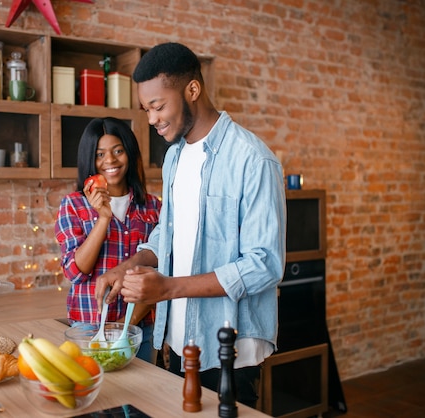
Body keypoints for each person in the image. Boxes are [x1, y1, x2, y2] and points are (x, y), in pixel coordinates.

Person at [95, 42, 286, 407]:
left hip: (232, 347)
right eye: (146, 109)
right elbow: (167, 232)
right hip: (181, 339)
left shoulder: (253, 160)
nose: (151, 119)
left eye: (158, 106)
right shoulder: (174, 158)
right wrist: (131, 264)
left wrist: (167, 288)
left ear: (192, 90)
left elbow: (265, 264)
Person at [55, 117, 161, 363]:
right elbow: (74, 271)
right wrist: (103, 219)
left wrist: (126, 327)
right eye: (100, 154)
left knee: (140, 399)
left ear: (130, 153)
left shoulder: (153, 207)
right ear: (90, 160)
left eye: (118, 151)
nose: (110, 161)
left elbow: (159, 270)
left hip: (138, 331)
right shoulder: (74, 205)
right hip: (88, 330)